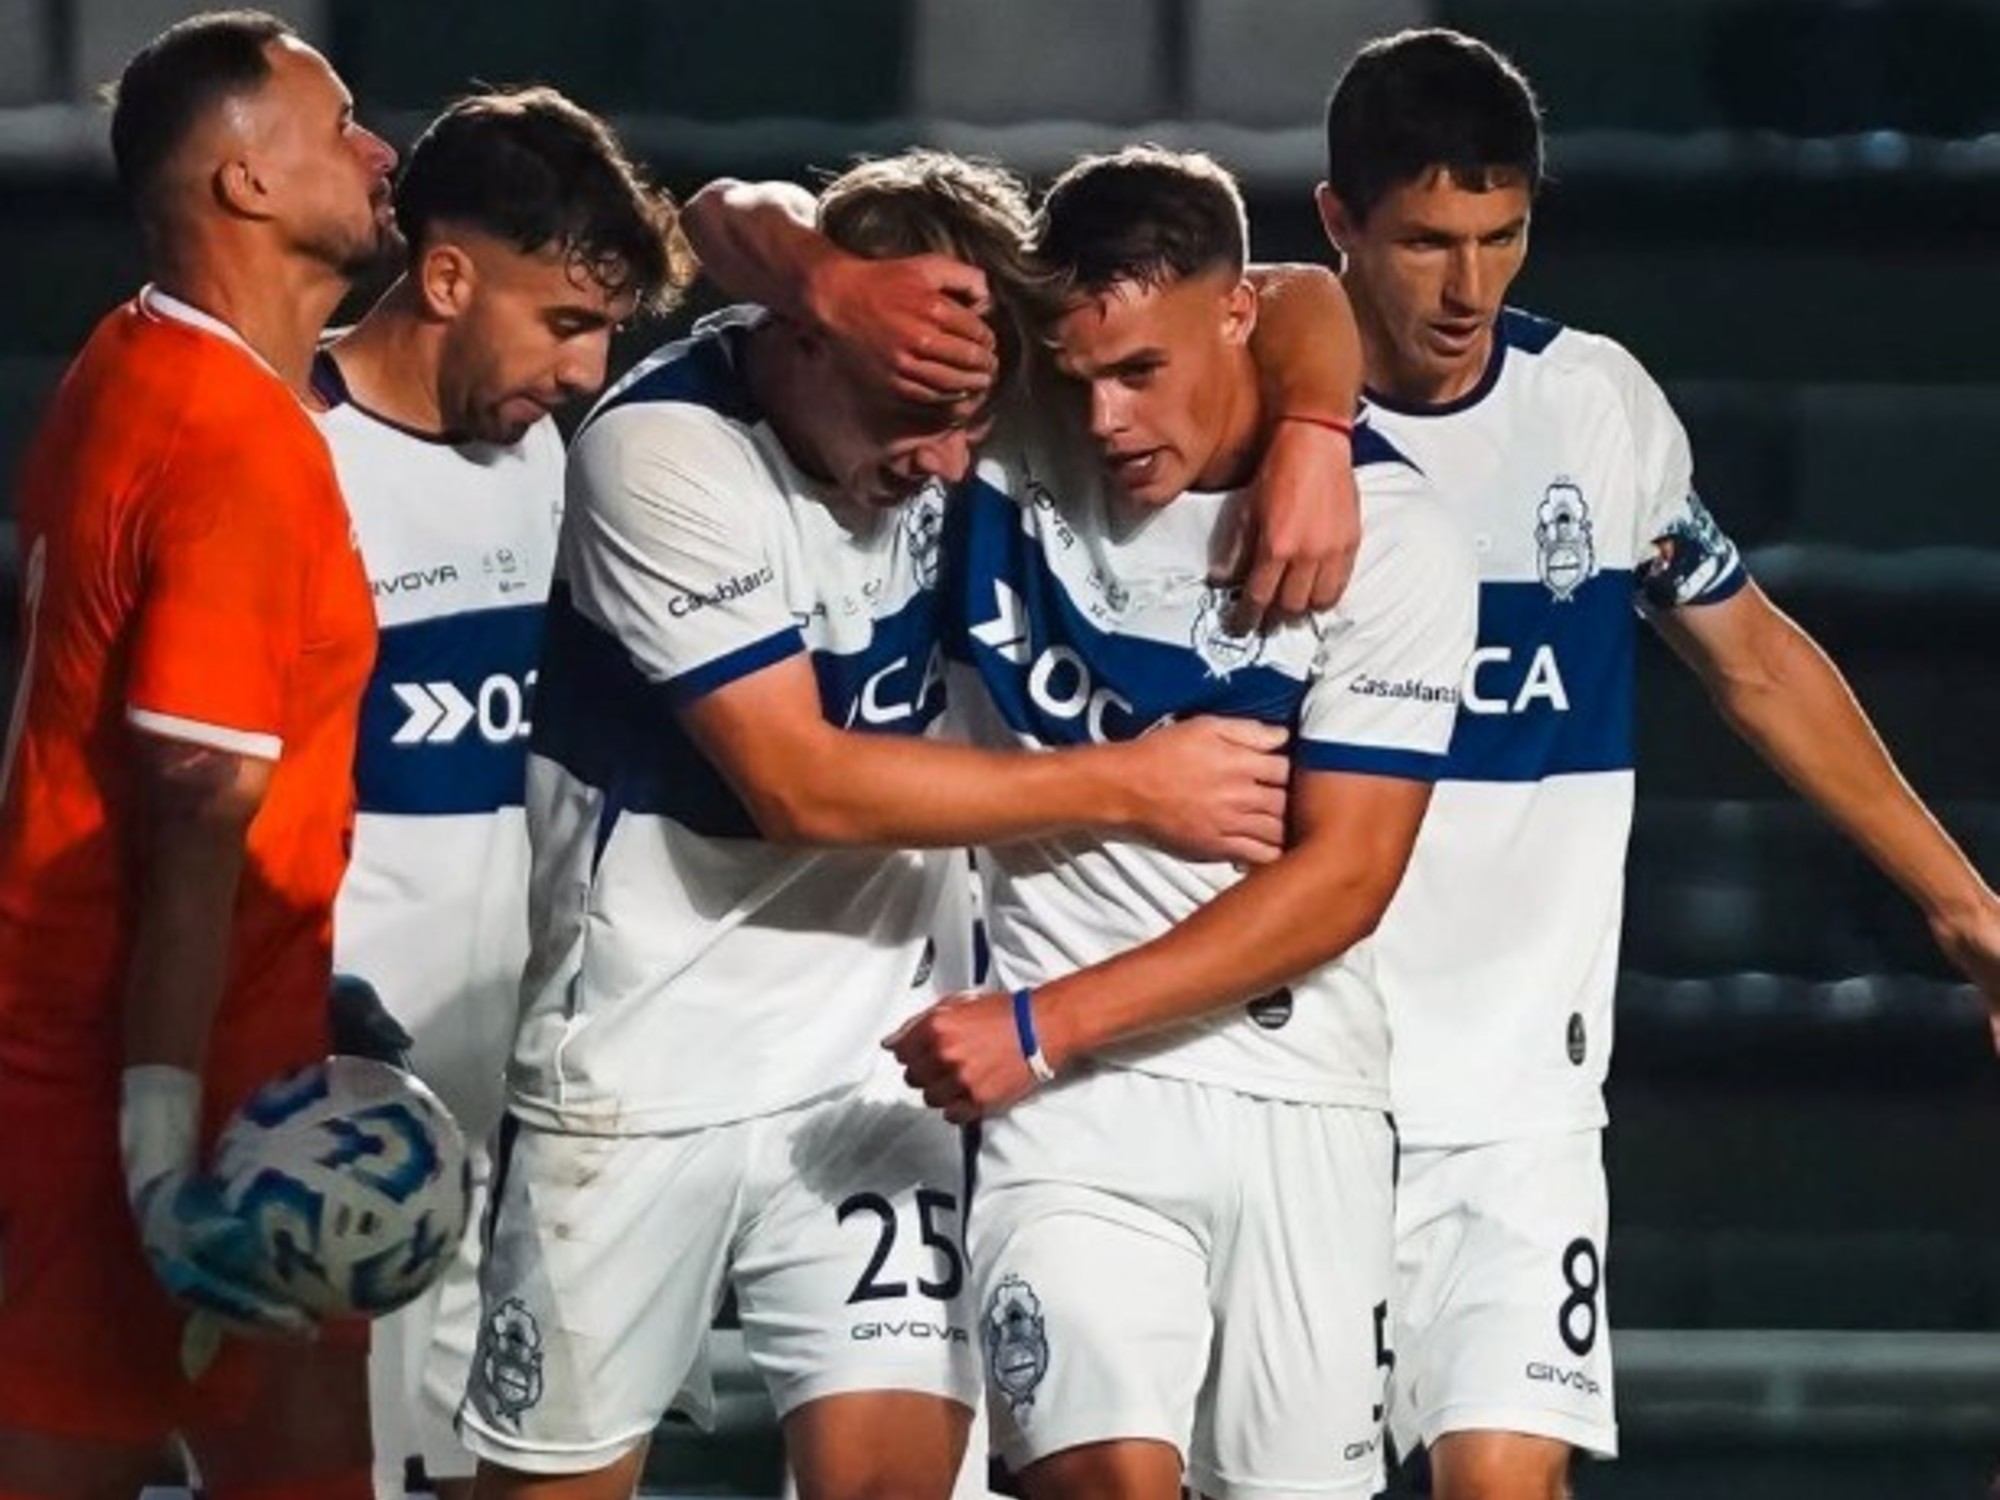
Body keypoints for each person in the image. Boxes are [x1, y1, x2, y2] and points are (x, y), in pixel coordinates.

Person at [459, 149, 1303, 1500]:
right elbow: (802, 785)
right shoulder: (660, 452)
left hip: (874, 1071)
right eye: (917, 412)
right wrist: (1137, 782)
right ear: (813, 330)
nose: (955, 460)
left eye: (976, 417)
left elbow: (1290, 297)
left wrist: (1317, 432)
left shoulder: (963, 392)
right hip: (635, 1070)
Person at [1313, 28, 2000, 1500]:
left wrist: (1966, 909)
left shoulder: (1594, 406)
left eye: (1502, 237)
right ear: (1338, 225)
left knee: (1506, 1485)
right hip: (1302, 1086)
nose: (1468, 287)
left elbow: (1755, 661)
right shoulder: (1248, 426)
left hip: (1521, 1102)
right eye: (1427, 242)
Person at [874, 146, 1476, 1500]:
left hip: (1299, 1096)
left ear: (1236, 312)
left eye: (1141, 371)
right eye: (1077, 375)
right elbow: (748, 230)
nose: (1104, 418)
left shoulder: (1392, 536)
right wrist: (1041, 1034)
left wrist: (1316, 431)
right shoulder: (1011, 446)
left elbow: (1345, 881)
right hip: (1067, 1115)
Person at [0, 10, 399, 1498]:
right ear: (245, 182)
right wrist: (160, 1153)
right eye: (338, 125)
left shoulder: (132, 351)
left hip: (213, 1049)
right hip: (134, 1077)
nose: (379, 151)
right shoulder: (231, 441)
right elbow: (192, 813)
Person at [310, 86, 692, 1500]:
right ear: (449, 277)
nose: (589, 371)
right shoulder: (288, 452)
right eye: (565, 322)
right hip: (344, 1105)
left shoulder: (563, 461)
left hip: (534, 1107)